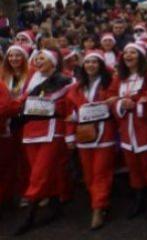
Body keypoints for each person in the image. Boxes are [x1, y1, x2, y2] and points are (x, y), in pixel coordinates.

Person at [13, 49, 74, 235]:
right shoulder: (33, 79)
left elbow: (69, 107)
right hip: (31, 131)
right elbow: (22, 102)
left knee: (39, 174)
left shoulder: (66, 81)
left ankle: (29, 215)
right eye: (37, 59)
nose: (38, 62)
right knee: (47, 172)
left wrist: (53, 108)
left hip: (52, 131)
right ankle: (55, 207)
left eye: (43, 59)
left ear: (53, 62)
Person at [64, 50, 118, 230]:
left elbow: (116, 104)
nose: (91, 66)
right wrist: (70, 135)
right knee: (88, 175)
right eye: (88, 62)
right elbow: (71, 113)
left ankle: (98, 208)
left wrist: (113, 103)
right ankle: (101, 202)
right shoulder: (76, 88)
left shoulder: (110, 83)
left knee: (101, 172)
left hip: (105, 134)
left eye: (95, 62)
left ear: (101, 65)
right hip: (84, 135)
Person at [114, 42, 147, 220]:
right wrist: (121, 104)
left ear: (141, 56)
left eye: (133, 52)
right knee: (133, 166)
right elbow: (112, 99)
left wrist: (136, 104)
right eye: (126, 52)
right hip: (127, 129)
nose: (128, 55)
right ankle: (139, 198)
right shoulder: (119, 78)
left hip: (144, 127)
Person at [0, 45, 30, 211]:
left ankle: (26, 191)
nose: (14, 59)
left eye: (18, 56)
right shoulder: (4, 76)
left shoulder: (31, 74)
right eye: (10, 56)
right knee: (10, 161)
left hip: (26, 120)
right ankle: (10, 193)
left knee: (25, 159)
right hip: (7, 123)